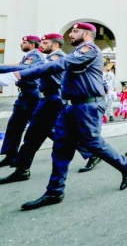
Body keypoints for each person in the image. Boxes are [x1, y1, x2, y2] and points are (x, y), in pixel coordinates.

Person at [0, 23, 127, 210]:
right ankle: (54, 191)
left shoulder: (89, 49)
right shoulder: (76, 52)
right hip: (70, 106)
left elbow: (60, 65)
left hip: (87, 105)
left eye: (75, 31)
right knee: (61, 149)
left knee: (93, 143)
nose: (70, 35)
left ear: (87, 34)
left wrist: (17, 75)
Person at [0, 33, 96, 183]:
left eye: (45, 43)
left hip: (54, 99)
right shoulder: (49, 57)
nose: (41, 45)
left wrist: (9, 72)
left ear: (55, 44)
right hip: (46, 99)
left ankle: (93, 153)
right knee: (34, 134)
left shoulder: (57, 57)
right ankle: (21, 169)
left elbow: (35, 68)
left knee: (58, 134)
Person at [0, 35, 45, 168]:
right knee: (14, 125)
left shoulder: (35, 56)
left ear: (32, 44)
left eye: (24, 42)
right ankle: (10, 155)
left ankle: (87, 150)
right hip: (24, 94)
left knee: (45, 128)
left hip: (32, 95)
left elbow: (21, 69)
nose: (21, 44)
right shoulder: (28, 56)